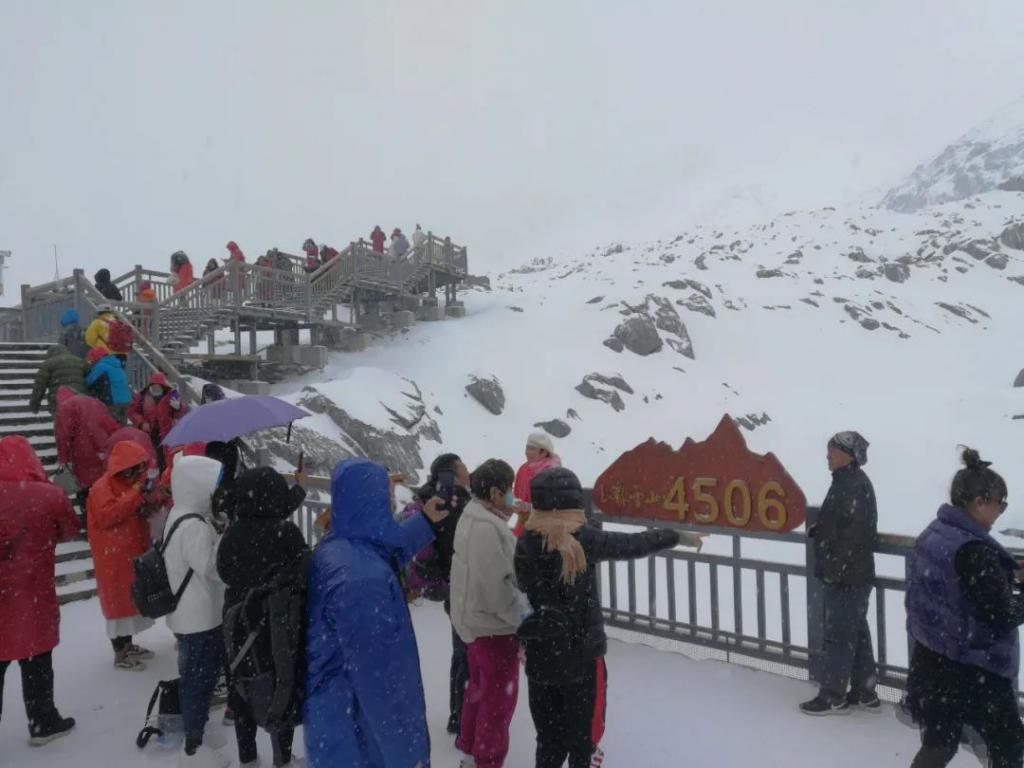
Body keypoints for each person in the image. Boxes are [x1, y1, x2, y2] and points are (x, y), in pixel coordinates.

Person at [515, 467, 697, 768]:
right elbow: (633, 545)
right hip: (582, 659)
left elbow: (523, 591)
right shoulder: (585, 540)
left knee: (548, 740)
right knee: (582, 742)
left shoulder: (526, 542)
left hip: (542, 658)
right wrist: (675, 536)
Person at [304, 457, 448, 768]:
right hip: (361, 740)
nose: (392, 501)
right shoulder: (362, 581)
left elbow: (381, 550)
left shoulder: (340, 547)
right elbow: (383, 685)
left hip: (335, 724)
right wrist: (410, 756)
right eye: (387, 494)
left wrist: (424, 522)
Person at [904, 449, 1024, 768]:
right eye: (1001, 503)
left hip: (934, 662)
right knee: (1008, 748)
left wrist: (1003, 574)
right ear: (980, 502)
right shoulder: (975, 551)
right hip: (974, 669)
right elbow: (1004, 615)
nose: (1001, 511)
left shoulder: (937, 532)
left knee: (939, 743)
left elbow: (953, 587)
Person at [217, 467, 308, 768]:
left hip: (237, 624)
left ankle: (248, 758)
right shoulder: (285, 532)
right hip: (276, 627)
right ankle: (282, 759)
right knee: (280, 688)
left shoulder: (232, 533)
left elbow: (224, 572)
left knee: (242, 689)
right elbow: (303, 571)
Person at [0, 436, 81, 745]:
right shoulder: (48, 496)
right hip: (32, 595)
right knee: (37, 659)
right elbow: (70, 529)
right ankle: (42, 721)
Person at [450, 458, 525, 768]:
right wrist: (524, 618)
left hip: (473, 622)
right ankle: (487, 759)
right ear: (495, 493)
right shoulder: (488, 529)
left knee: (478, 690)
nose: (513, 498)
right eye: (509, 491)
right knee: (497, 703)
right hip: (493, 628)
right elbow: (497, 590)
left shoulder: (474, 516)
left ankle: (469, 746)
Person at [801, 431, 879, 715]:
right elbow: (843, 525)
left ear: (848, 455)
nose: (827, 456)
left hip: (847, 577)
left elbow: (854, 536)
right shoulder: (848, 482)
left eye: (831, 451)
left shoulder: (851, 485)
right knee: (854, 632)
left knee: (839, 635)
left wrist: (835, 570)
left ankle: (833, 695)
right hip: (853, 575)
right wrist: (819, 530)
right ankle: (865, 691)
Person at [162, 454, 230, 768]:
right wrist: (224, 541)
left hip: (189, 614)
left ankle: (196, 732)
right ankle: (194, 745)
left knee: (195, 677)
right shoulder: (192, 526)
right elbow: (212, 567)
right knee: (198, 681)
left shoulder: (181, 515)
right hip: (199, 617)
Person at [401, 453, 473, 734]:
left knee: (460, 651)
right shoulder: (456, 502)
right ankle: (463, 716)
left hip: (443, 583)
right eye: (464, 466)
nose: (469, 470)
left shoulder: (427, 498)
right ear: (452, 475)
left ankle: (458, 713)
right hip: (460, 585)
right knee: (466, 652)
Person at [86, 440, 160, 671]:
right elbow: (108, 515)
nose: (138, 472)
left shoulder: (132, 485)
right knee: (118, 604)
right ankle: (120, 652)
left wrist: (149, 501)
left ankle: (128, 645)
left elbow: (137, 510)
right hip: (113, 557)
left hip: (130, 552)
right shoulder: (101, 487)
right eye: (135, 467)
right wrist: (135, 495)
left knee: (130, 600)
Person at [55, 387, 121, 522]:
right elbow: (111, 425)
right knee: (102, 485)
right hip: (103, 449)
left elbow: (63, 436)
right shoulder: (94, 402)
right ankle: (105, 517)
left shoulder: (65, 407)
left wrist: (63, 459)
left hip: (82, 453)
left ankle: (90, 522)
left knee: (84, 488)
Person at [127, 372, 188, 469]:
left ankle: (163, 476)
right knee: (149, 458)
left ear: (163, 386)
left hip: (166, 433)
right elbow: (132, 411)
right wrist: (141, 423)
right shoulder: (142, 395)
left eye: (158, 386)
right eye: (153, 386)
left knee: (165, 459)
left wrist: (177, 408)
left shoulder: (173, 394)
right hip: (148, 433)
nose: (155, 389)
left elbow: (181, 413)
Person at [513, 432, 561, 536]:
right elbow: (515, 496)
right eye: (527, 448)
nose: (527, 452)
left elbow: (555, 507)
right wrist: (511, 502)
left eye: (532, 449)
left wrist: (528, 508)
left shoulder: (554, 473)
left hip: (545, 532)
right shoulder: (523, 469)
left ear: (544, 452)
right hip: (523, 530)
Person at [30, 344, 89, 416]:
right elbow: (90, 378)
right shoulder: (80, 361)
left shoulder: (48, 364)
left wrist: (34, 405)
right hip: (80, 399)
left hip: (59, 402)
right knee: (79, 425)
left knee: (62, 425)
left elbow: (39, 386)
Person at [85, 350, 132, 424]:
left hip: (113, 402)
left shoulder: (101, 365)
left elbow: (89, 381)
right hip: (126, 400)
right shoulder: (117, 365)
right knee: (122, 424)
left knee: (111, 425)